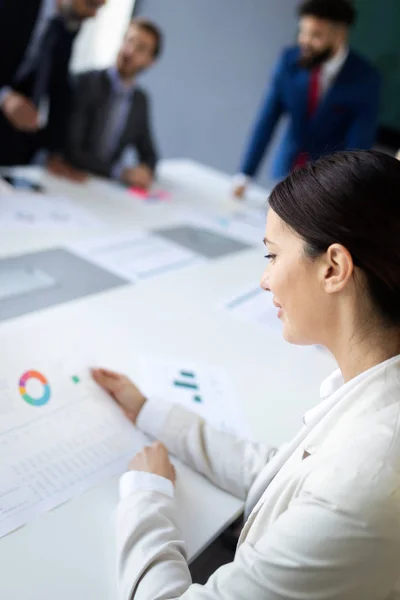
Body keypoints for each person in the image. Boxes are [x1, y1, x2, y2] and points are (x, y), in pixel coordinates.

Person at [93, 149, 400, 599]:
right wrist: (153, 412)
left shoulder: (364, 480)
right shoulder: (373, 387)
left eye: (273, 256)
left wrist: (147, 498)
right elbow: (283, 472)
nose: (264, 280)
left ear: (333, 267)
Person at [233, 0, 381, 199]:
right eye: (303, 32)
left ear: (340, 35)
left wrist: (344, 194)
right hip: (284, 173)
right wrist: (245, 174)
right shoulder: (288, 60)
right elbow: (266, 121)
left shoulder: (366, 78)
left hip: (328, 184)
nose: (305, 41)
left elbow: (358, 146)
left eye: (316, 35)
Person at [0, 0, 105, 179]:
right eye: (91, 4)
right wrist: (4, 97)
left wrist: (55, 152)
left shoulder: (66, 24)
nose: (93, 15)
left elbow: (59, 86)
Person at [65, 18, 162, 189]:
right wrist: (120, 172)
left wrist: (145, 170)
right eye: (129, 40)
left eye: (141, 48)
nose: (129, 51)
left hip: (102, 187)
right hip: (69, 178)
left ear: (150, 61)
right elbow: (72, 151)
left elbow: (150, 154)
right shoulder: (86, 82)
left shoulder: (140, 101)